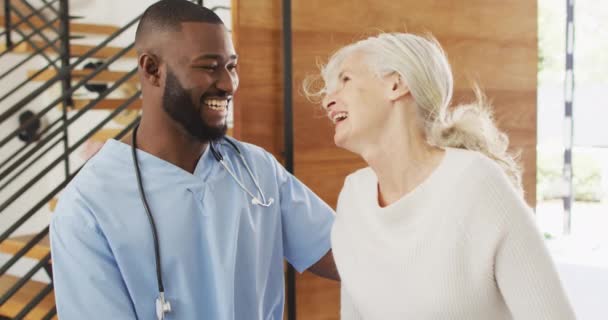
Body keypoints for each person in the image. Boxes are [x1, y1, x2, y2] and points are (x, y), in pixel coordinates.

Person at [50, 1, 338, 319]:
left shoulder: (256, 168)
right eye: (208, 66)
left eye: (231, 66)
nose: (228, 84)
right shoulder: (88, 207)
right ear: (152, 69)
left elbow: (344, 256)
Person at [306, 32, 576, 319]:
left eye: (345, 80)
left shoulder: (476, 182)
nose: (327, 101)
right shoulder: (354, 197)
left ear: (396, 84)